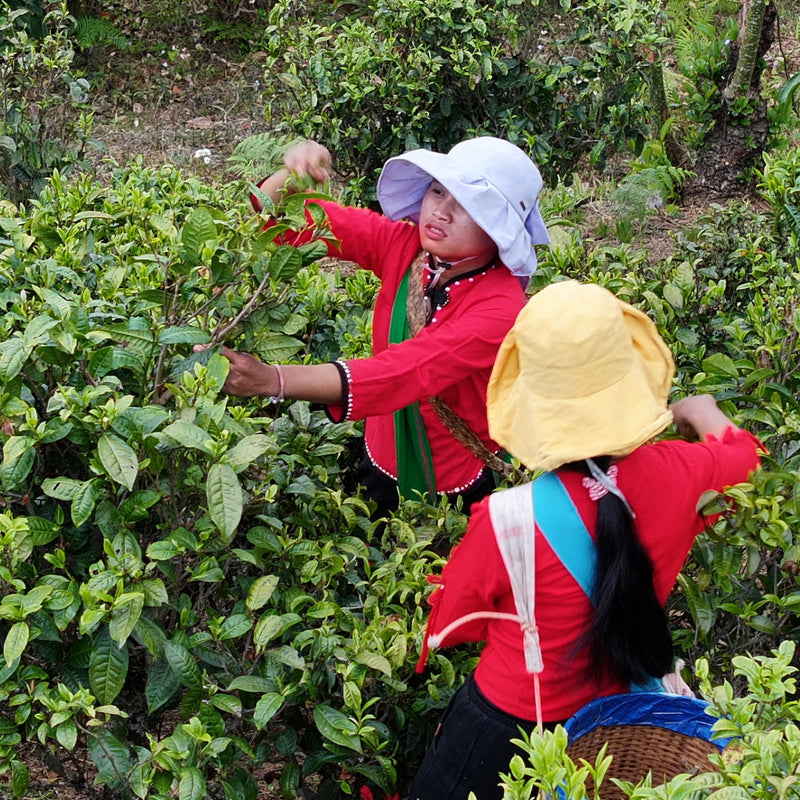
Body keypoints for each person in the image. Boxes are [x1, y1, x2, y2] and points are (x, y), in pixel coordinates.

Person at [408, 280, 763, 800]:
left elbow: (454, 623)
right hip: (616, 724)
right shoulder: (686, 475)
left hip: (509, 726)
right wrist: (699, 409)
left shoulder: (507, 518)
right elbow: (749, 459)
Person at [197, 137, 550, 517]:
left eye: (467, 205)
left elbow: (403, 372)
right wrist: (293, 175)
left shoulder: (499, 307)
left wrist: (273, 380)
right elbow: (287, 224)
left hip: (453, 482)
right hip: (381, 454)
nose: (441, 212)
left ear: (500, 227)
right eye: (437, 191)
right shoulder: (405, 246)